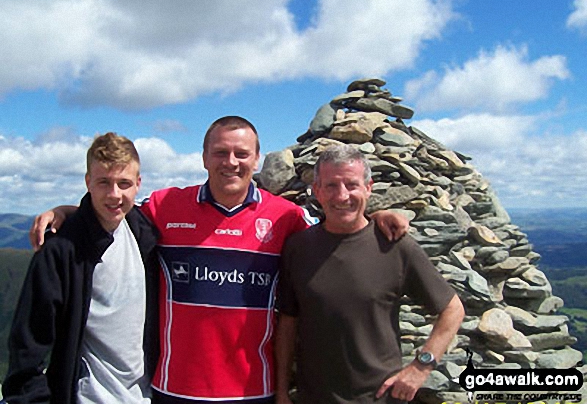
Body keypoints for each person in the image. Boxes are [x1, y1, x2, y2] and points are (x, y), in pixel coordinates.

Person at [28, 117, 410, 404]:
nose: (231, 162)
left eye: (242, 154)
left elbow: (336, 230)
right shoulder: (166, 206)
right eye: (220, 152)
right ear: (204, 157)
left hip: (252, 392)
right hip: (171, 389)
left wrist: (376, 218)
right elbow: (112, 210)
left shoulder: (286, 217)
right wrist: (66, 213)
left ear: (257, 159)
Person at [275, 144, 465, 404]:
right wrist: (282, 392)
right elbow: (287, 323)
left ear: (368, 187)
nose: (342, 196)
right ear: (317, 191)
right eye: (331, 185)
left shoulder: (395, 245)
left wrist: (421, 367)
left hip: (381, 399)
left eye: (352, 185)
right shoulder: (298, 248)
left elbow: (453, 309)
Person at [3, 133, 160, 404]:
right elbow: (28, 347)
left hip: (143, 397)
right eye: (104, 183)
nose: (115, 195)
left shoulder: (146, 236)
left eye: (124, 183)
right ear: (88, 182)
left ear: (138, 184)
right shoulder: (60, 251)